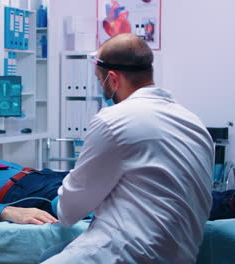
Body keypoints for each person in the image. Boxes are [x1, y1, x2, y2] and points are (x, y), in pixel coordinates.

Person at [43, 33, 214, 263]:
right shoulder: (194, 123)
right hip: (179, 257)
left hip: (122, 255)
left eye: (99, 80)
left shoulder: (113, 120)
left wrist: (62, 198)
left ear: (113, 79)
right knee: (49, 252)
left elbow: (68, 213)